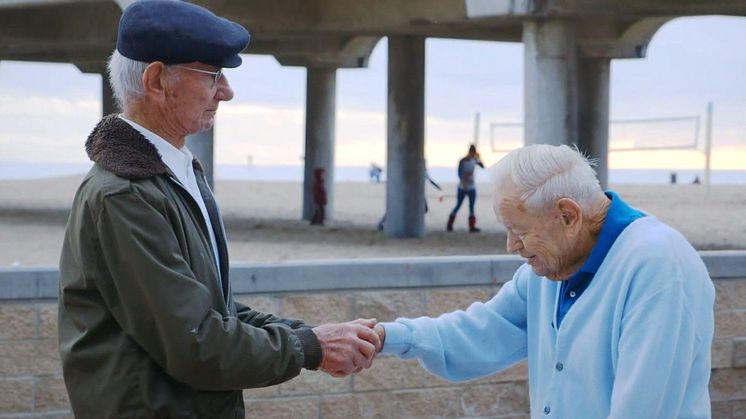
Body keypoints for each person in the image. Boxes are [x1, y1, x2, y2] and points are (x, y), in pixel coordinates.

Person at [57, 2, 379, 418]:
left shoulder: (171, 174)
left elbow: (211, 311)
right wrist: (312, 347)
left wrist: (310, 337)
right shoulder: (125, 195)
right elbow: (198, 344)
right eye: (213, 75)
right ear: (157, 79)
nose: (226, 91)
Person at [374, 144, 715, 418]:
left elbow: (641, 409)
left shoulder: (658, 268)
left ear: (567, 215)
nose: (511, 246)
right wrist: (385, 336)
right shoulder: (551, 267)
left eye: (518, 231)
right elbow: (480, 332)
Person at [377, 168, 443, 231]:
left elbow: (429, 180)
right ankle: (382, 223)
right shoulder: (413, 170)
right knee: (397, 208)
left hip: (418, 192)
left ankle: (413, 225)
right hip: (408, 191)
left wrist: (438, 187)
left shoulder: (422, 170)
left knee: (424, 209)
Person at [447, 144, 484, 232]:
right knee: (458, 205)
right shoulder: (462, 161)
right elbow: (460, 174)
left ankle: (472, 226)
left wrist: (478, 158)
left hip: (471, 187)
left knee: (471, 206)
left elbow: (482, 166)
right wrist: (464, 184)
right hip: (462, 187)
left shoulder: (474, 160)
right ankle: (450, 224)